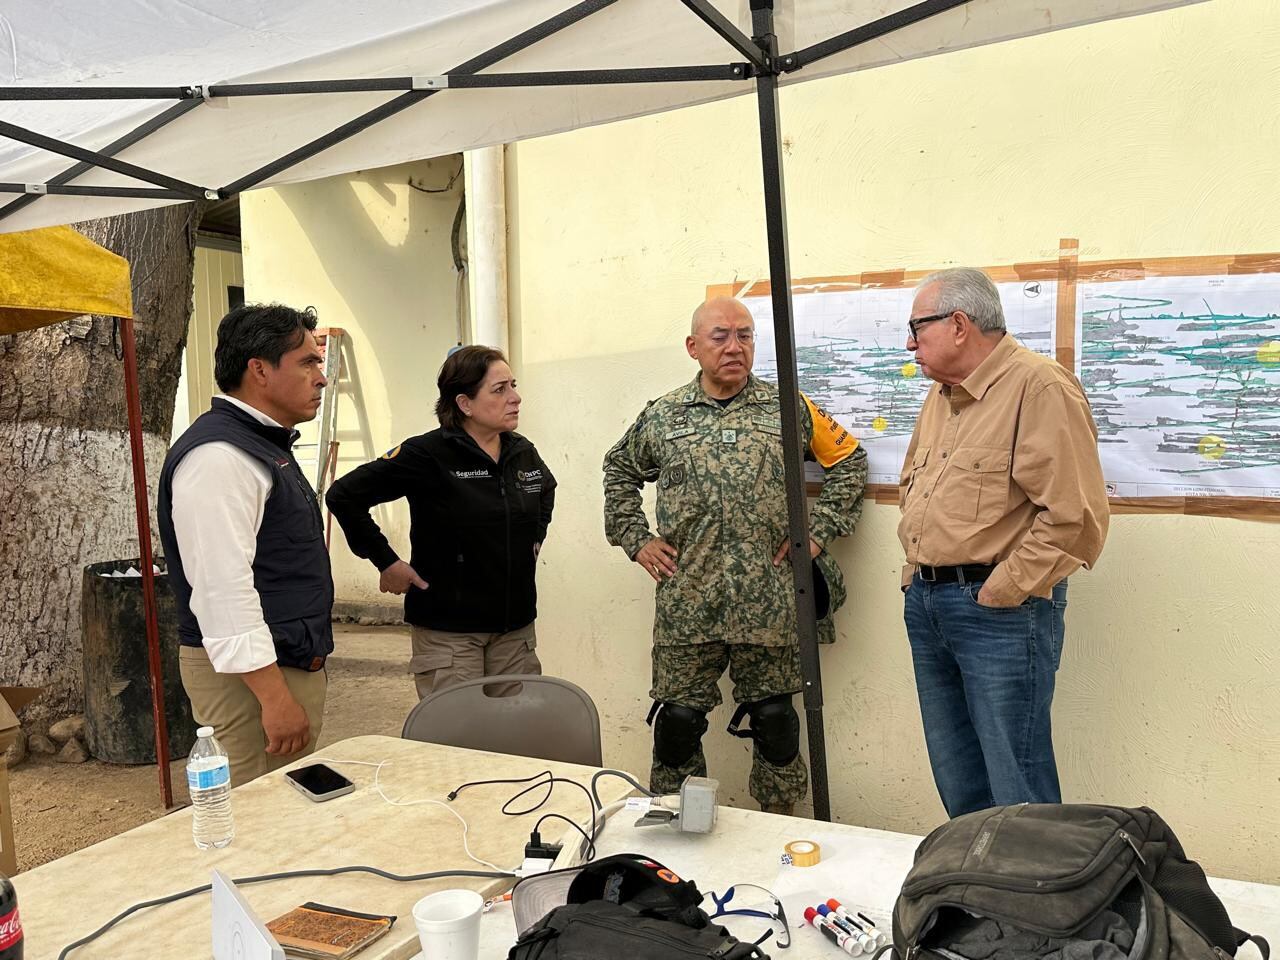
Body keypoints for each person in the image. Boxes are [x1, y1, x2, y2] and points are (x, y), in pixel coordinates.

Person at [603, 296, 867, 815]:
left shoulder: (788, 408)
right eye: (720, 335)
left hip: (767, 601)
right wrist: (636, 539)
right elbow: (618, 471)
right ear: (693, 346)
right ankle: (682, 831)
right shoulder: (663, 415)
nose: (734, 346)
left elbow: (851, 462)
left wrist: (817, 532)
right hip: (688, 599)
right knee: (677, 723)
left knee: (775, 721)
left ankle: (778, 833)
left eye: (744, 335)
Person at [899, 267, 1109, 818]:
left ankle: (1037, 899)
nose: (909, 342)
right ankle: (978, 891)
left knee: (1018, 778)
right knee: (957, 772)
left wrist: (1000, 590)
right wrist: (914, 579)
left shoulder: (1039, 387)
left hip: (998, 612)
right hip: (929, 603)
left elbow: (1075, 518)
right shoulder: (941, 397)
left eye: (917, 328)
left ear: (960, 324)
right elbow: (918, 493)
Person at [158, 303, 333, 787]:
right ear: (259, 369)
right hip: (251, 682)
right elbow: (221, 589)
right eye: (307, 362)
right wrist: (274, 698)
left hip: (278, 663)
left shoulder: (261, 445)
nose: (321, 378)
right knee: (256, 826)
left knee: (280, 815)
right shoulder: (220, 456)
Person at [326, 346, 555, 699]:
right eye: (500, 390)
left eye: (513, 385)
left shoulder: (521, 451)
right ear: (464, 403)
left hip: (514, 633)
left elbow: (544, 490)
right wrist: (386, 561)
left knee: (516, 740)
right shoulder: (427, 455)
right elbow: (344, 495)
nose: (516, 397)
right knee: (456, 743)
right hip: (450, 634)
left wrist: (534, 539)